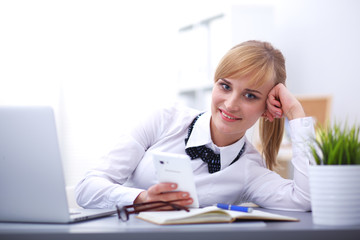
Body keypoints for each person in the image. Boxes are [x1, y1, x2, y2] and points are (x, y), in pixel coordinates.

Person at [75, 40, 315, 211]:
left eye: (250, 95)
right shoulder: (164, 120)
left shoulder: (250, 169)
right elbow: (87, 188)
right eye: (225, 86)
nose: (230, 104)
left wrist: (296, 113)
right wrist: (141, 198)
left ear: (267, 108)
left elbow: (305, 199)